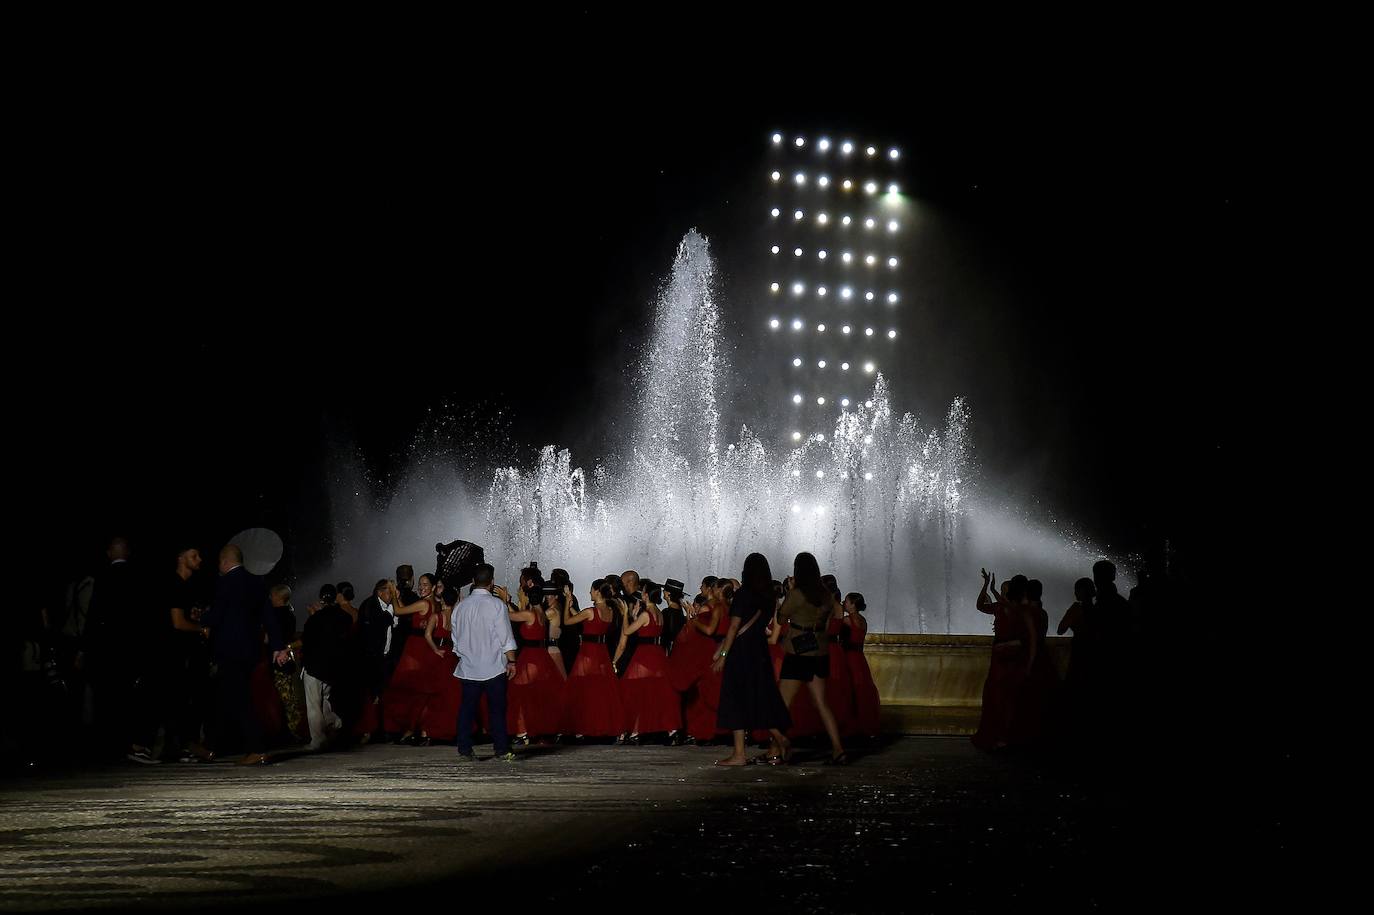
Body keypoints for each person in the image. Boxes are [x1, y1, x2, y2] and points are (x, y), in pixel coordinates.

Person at [203, 544, 289, 766]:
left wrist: (202, 619)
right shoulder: (257, 582)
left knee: (239, 697)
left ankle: (257, 749)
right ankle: (211, 746)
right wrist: (278, 646)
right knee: (226, 695)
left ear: (224, 561)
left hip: (229, 649)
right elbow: (269, 617)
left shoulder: (224, 583)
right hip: (251, 649)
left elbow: (217, 615)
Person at [711, 553, 791, 766]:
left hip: (741, 652)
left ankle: (739, 754)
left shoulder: (744, 594)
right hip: (759, 651)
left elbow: (734, 627)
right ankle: (780, 738)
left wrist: (723, 655)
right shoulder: (768, 597)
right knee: (758, 697)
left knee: (736, 699)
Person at [775, 553, 847, 764]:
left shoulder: (797, 594)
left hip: (798, 649)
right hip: (820, 649)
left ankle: (777, 747)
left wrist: (790, 590)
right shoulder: (825, 594)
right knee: (822, 703)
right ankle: (838, 748)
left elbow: (781, 617)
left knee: (783, 703)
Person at [451, 564, 519, 762]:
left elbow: (455, 638)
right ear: (492, 582)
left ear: (473, 582)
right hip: (493, 666)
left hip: (468, 666)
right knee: (497, 710)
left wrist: (463, 654)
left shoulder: (460, 607)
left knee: (466, 709)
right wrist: (512, 661)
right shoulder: (497, 605)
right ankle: (501, 749)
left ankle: (464, 748)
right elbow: (505, 636)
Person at [971, 570, 1034, 752]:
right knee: (997, 693)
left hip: (1010, 653)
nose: (1003, 592)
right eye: (1002, 589)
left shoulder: (1017, 609)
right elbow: (980, 605)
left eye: (1006, 589)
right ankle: (999, 733)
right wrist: (985, 586)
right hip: (999, 654)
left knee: (1008, 694)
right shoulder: (999, 607)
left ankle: (1008, 734)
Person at [615, 583, 680, 743]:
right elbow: (647, 629)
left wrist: (625, 615)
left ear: (646, 595)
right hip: (657, 655)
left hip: (644, 655)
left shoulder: (646, 614)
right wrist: (636, 616)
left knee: (632, 692)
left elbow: (627, 631)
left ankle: (634, 731)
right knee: (656, 693)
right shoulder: (659, 612)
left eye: (643, 592)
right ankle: (671, 730)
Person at [561, 581, 625, 740]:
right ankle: (599, 726)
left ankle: (581, 728)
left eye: (591, 590)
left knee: (582, 690)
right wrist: (571, 606)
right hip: (602, 653)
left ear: (597, 592)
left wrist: (566, 604)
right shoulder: (610, 611)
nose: (589, 593)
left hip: (588, 653)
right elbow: (585, 621)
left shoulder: (591, 611)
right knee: (600, 692)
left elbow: (567, 621)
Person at [301, 584, 351, 751]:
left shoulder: (316, 619)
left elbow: (307, 640)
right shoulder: (344, 617)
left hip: (314, 666)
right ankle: (334, 723)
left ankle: (318, 740)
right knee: (326, 700)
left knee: (314, 704)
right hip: (333, 667)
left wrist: (313, 615)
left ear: (322, 599)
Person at [841, 593, 882, 742]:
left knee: (850, 690)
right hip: (859, 658)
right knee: (862, 690)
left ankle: (851, 726)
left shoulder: (847, 620)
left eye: (846, 601)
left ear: (852, 604)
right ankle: (865, 726)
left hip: (848, 657)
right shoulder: (863, 621)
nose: (843, 603)